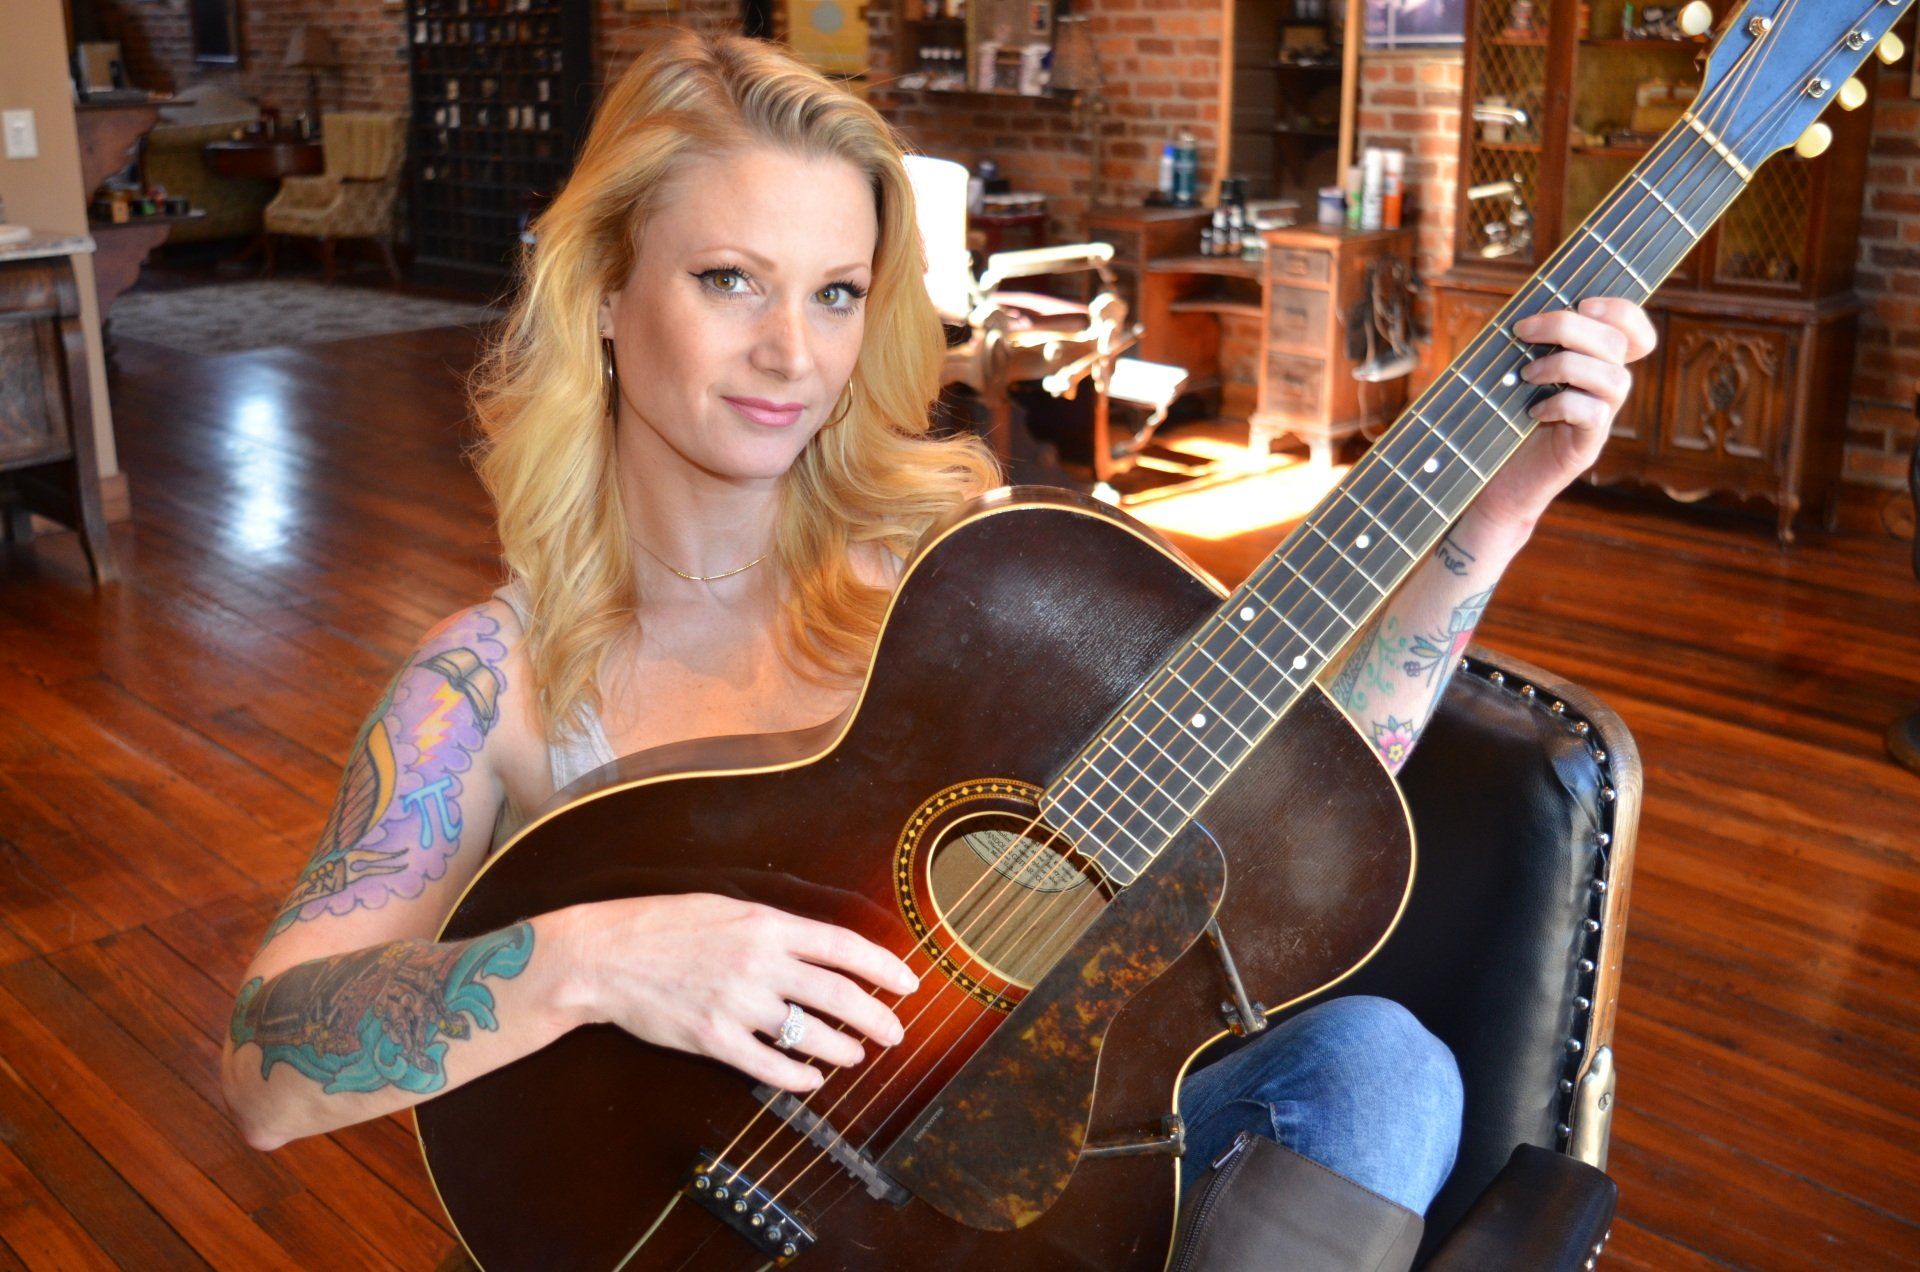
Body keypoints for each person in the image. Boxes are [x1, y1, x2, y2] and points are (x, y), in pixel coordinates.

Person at [218, 27, 1656, 1268]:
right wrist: (594, 962)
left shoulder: (964, 580)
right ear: (602, 290)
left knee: (1381, 1069)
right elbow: (268, 1069)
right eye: (731, 279)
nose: (795, 351)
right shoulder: (488, 684)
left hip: (1040, 1170)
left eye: (836, 293)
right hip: (707, 1217)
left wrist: (1504, 503)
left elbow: (1292, 791)